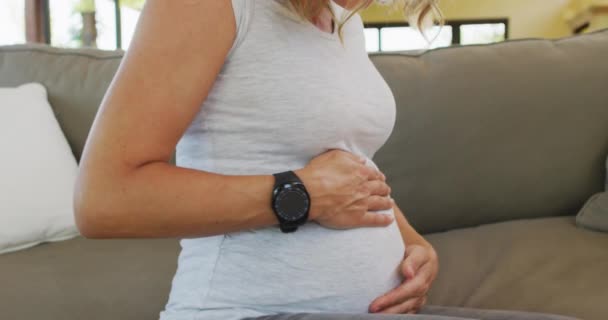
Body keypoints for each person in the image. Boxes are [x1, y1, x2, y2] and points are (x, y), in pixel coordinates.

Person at [73, 1, 580, 320]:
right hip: (255, 308)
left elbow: (346, 166)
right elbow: (105, 199)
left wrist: (412, 244)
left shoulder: (341, 22)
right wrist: (302, 195)